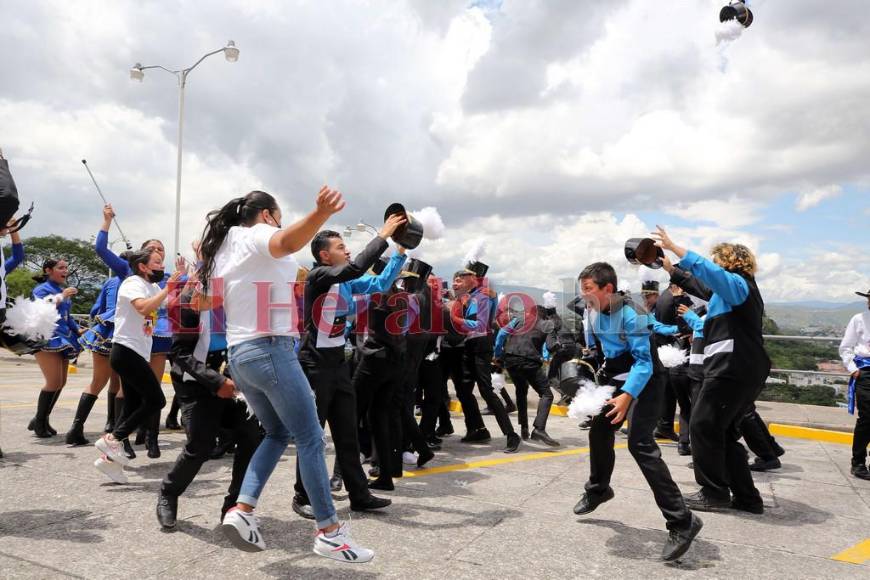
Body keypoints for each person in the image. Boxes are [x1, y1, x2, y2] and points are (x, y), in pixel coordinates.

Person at [198, 187, 373, 562]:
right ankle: (329, 532)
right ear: (266, 215)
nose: (279, 223)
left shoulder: (225, 247)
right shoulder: (256, 234)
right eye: (278, 216)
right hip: (269, 349)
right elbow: (285, 242)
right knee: (311, 437)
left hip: (241, 355)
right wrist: (320, 213)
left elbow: (206, 301)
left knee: (278, 432)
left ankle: (242, 510)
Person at [572, 261, 701, 561]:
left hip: (647, 379)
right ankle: (598, 489)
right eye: (582, 290)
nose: (584, 295)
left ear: (608, 288)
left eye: (588, 289)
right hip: (616, 377)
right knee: (599, 432)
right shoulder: (593, 311)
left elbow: (643, 363)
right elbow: (601, 350)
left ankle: (682, 521)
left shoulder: (634, 315)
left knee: (640, 444)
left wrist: (626, 397)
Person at [289, 220, 406, 519]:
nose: (348, 250)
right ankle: (303, 495)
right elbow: (355, 269)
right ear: (324, 256)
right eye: (341, 247)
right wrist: (382, 236)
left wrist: (399, 251)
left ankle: (359, 495)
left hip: (339, 366)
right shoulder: (318, 277)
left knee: (347, 432)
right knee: (312, 435)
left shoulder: (345, 282)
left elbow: (379, 284)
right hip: (314, 367)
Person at [653, 226, 771, 515]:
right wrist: (670, 268)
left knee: (702, 425)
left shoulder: (739, 284)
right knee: (722, 432)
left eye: (718, 260)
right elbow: (700, 285)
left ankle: (713, 492)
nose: (715, 265)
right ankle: (747, 497)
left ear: (730, 262)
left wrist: (674, 247)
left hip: (732, 370)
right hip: (738, 370)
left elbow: (709, 273)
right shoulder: (727, 294)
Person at [156, 285, 262, 528]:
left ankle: (234, 507)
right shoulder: (187, 300)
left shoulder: (240, 293)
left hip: (235, 376)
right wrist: (216, 381)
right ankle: (168, 492)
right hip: (197, 381)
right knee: (201, 446)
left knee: (250, 438)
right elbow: (180, 353)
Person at [95, 204, 180, 458]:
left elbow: (170, 302)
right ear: (143, 265)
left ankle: (110, 457)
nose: (160, 261)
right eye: (155, 257)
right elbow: (144, 307)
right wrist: (107, 221)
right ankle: (114, 439)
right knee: (156, 400)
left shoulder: (153, 286)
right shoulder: (131, 280)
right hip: (127, 350)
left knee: (133, 403)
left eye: (162, 253)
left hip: (141, 350)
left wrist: (186, 280)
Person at [451, 265, 521, 453]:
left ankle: (511, 434)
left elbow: (480, 324)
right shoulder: (473, 296)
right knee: (463, 390)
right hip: (470, 345)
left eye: (461, 278)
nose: (458, 281)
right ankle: (477, 429)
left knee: (486, 391)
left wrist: (456, 319)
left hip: (481, 344)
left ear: (473, 278)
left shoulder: (482, 296)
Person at [493, 298, 560, 445]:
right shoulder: (547, 324)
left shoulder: (518, 320)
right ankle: (539, 429)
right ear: (544, 316)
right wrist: (558, 347)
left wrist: (497, 355)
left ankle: (524, 428)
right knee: (546, 394)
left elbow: (502, 334)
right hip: (529, 361)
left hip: (510, 360)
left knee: (521, 390)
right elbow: (551, 346)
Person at [27, 259, 82, 438]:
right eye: (61, 268)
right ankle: (39, 422)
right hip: (47, 338)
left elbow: (67, 316)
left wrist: (78, 330)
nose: (65, 270)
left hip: (64, 337)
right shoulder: (41, 290)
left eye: (66, 268)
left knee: (61, 382)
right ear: (48, 270)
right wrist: (62, 296)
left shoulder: (60, 290)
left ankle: (41, 419)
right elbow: (41, 310)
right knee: (53, 382)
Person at [839, 289, 870, 480]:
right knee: (867, 417)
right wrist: (853, 368)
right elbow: (846, 347)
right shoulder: (859, 319)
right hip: (866, 372)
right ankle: (858, 462)